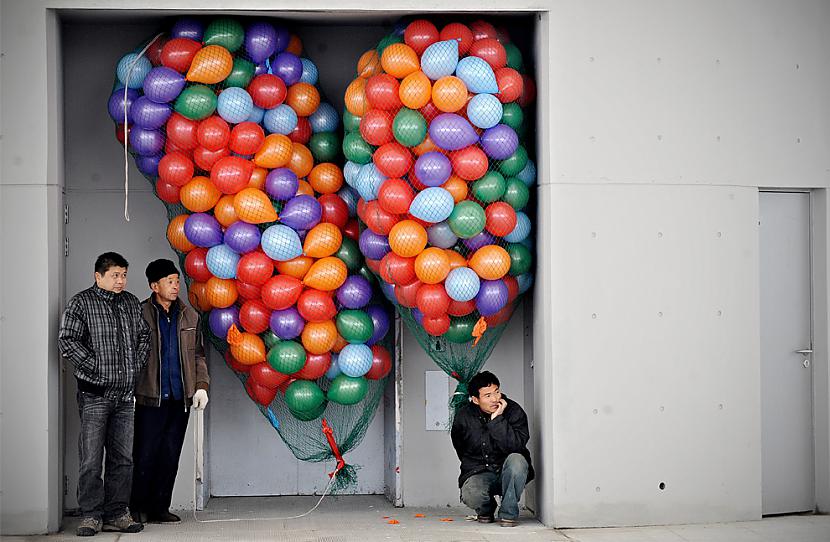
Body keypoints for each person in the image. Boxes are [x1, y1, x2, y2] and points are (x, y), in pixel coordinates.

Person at [58, 252, 150, 536]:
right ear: (98, 276)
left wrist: (135, 364)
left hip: (125, 397)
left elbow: (144, 336)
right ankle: (91, 515)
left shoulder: (131, 303)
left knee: (123, 458)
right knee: (91, 458)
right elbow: (67, 340)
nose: (120, 280)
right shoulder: (81, 303)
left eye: (123, 275)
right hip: (94, 396)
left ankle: (117, 512)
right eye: (114, 275)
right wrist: (96, 367)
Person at [131, 259, 209, 525]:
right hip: (150, 396)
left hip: (180, 398)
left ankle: (160, 508)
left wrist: (201, 386)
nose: (175, 286)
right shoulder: (139, 314)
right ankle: (137, 508)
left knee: (170, 453)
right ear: (154, 286)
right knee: (144, 453)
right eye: (169, 281)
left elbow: (198, 355)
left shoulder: (190, 316)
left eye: (176, 280)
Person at [450, 371, 534, 528]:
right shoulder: (463, 417)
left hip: (509, 470)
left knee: (517, 460)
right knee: (471, 494)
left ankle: (508, 513)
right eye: (488, 395)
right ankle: (487, 510)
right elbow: (461, 449)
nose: (495, 399)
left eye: (497, 392)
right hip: (480, 470)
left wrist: (497, 420)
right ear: (476, 399)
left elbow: (517, 446)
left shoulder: (514, 411)